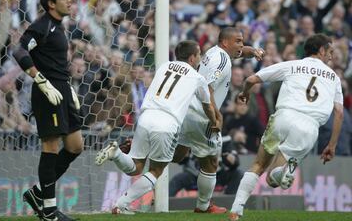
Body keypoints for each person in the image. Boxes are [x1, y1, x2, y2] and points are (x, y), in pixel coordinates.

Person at [94, 40, 220, 214]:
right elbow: (207, 106)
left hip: (146, 117)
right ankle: (121, 205)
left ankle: (116, 154)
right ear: (192, 58)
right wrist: (214, 122)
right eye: (199, 55)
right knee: (156, 170)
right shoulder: (197, 78)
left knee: (136, 166)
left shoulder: (164, 66)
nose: (200, 58)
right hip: (167, 123)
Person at [228, 33, 344, 221]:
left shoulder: (293, 65)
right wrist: (331, 145)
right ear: (321, 50)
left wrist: (245, 94)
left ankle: (235, 211)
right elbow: (339, 113)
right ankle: (283, 171)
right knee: (273, 181)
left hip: (283, 116)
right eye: (330, 51)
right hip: (308, 128)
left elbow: (251, 80)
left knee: (258, 165)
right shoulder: (334, 78)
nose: (331, 56)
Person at [173, 27, 265, 213]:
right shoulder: (221, 61)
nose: (241, 44)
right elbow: (208, 88)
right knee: (211, 162)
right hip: (203, 115)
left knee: (177, 155)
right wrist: (216, 115)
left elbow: (240, 53)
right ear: (226, 43)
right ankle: (203, 206)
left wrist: (253, 51)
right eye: (238, 41)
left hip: (187, 110)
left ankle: (137, 151)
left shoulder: (214, 52)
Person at [13, 0, 83, 221]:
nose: (69, 1)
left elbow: (56, 61)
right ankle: (50, 212)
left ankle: (38, 195)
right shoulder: (41, 26)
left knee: (75, 146)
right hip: (47, 92)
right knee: (51, 147)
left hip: (62, 90)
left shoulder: (58, 26)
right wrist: (39, 78)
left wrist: (69, 87)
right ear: (51, 4)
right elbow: (19, 51)